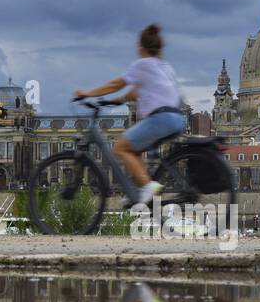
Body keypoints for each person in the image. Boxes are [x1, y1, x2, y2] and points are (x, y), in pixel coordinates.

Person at [74, 23, 185, 205]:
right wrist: (120, 100)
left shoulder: (142, 64)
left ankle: (148, 186)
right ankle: (140, 191)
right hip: (178, 119)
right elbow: (136, 92)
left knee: (120, 147)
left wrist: (88, 93)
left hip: (161, 118)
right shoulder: (164, 66)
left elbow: (116, 83)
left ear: (140, 47)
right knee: (136, 149)